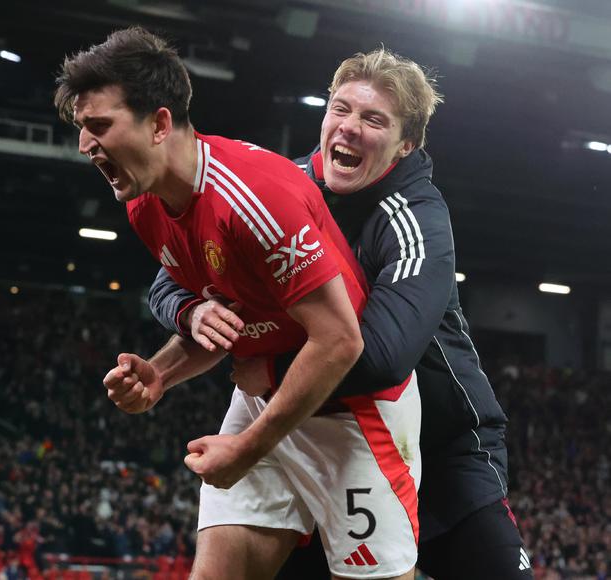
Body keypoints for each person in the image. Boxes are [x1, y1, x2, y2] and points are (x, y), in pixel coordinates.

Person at [149, 48, 534, 580]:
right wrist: (190, 311)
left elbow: (382, 357)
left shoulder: (417, 220)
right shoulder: (278, 187)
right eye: (341, 109)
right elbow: (168, 280)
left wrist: (272, 371)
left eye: (374, 119)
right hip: (319, 434)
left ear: (406, 143)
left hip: (440, 444)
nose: (350, 127)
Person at [54, 28, 421, 580]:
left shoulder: (254, 196)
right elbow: (235, 318)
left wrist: (247, 448)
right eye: (82, 128)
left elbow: (340, 340)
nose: (86, 144)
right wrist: (160, 373)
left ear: (159, 124)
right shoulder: (144, 205)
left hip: (352, 414)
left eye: (100, 125)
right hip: (263, 403)